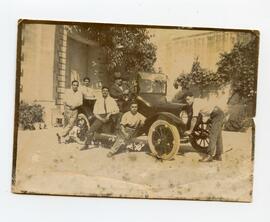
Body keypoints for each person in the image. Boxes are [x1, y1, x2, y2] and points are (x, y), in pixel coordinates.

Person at [184, 92, 225, 162]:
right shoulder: (198, 100)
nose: (187, 102)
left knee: (213, 135)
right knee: (218, 135)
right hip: (217, 113)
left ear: (192, 97)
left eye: (188, 99)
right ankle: (218, 155)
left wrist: (190, 131)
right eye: (186, 100)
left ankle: (209, 156)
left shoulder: (195, 104)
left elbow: (194, 119)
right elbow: (204, 114)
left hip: (216, 114)